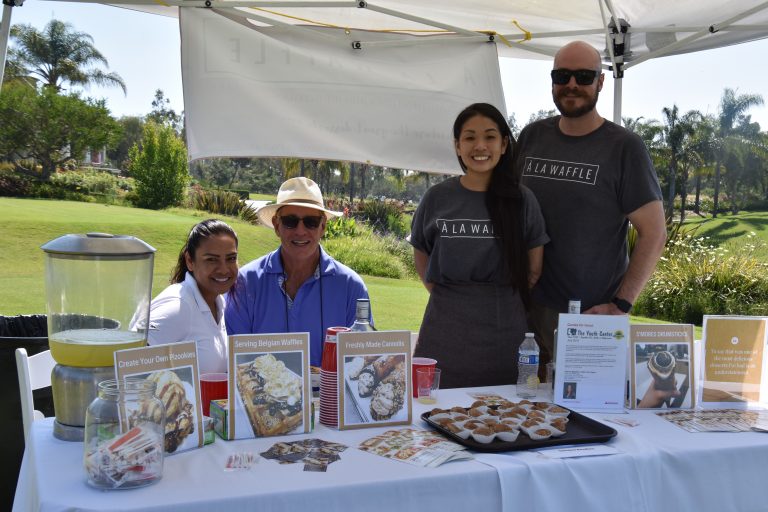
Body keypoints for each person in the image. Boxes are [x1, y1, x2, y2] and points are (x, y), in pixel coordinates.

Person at [516, 40, 667, 371]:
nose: (572, 85)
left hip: (588, 318)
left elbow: (654, 232)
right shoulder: (531, 138)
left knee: (584, 419)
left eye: (584, 76)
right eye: (562, 75)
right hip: (523, 310)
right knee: (519, 411)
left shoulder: (624, 147)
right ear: (552, 81)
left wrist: (622, 304)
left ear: (600, 82)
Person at [410, 103, 549, 389]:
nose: (480, 146)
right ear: (458, 146)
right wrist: (455, 299)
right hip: (443, 332)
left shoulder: (523, 201)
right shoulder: (437, 197)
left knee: (504, 418)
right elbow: (421, 256)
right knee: (434, 416)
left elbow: (534, 270)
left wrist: (493, 301)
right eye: (470, 137)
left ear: (503, 144)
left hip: (505, 335)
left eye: (489, 136)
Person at [226, 177, 371, 367]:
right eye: (290, 221)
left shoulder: (351, 286)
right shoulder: (246, 282)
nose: (300, 231)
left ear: (323, 227)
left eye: (310, 222)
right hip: (262, 394)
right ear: (277, 225)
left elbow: (361, 361)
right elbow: (237, 360)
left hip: (330, 396)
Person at [145, 219, 239, 374]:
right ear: (190, 261)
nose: (223, 269)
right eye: (211, 260)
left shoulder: (219, 302)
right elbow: (129, 363)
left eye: (231, 258)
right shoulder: (178, 306)